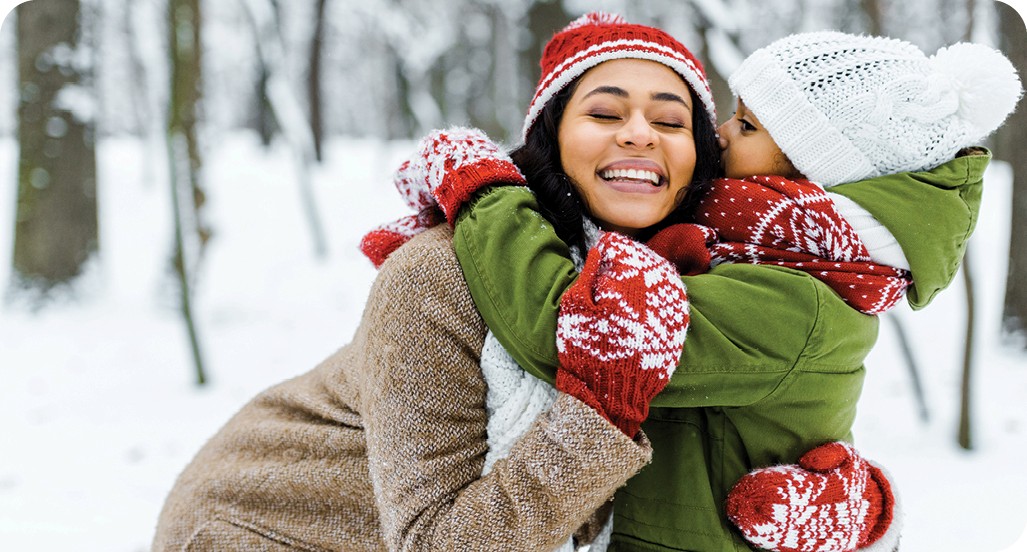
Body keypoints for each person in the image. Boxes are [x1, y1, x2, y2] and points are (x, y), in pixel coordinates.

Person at [366, 19, 1021, 552]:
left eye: (744, 126)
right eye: (602, 111)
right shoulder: (744, 248)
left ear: (808, 170)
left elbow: (575, 336)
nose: (719, 139)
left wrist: (485, 193)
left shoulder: (793, 291)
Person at [151, 13, 720, 552]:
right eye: (604, 115)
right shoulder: (438, 274)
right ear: (551, 139)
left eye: (671, 122)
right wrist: (604, 408)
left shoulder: (687, 274)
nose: (641, 135)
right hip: (262, 530)